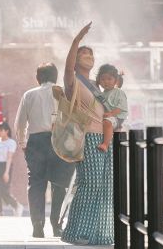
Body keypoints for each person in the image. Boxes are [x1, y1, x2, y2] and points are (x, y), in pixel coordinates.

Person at [61, 22, 114, 245]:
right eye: (83, 53)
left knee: (105, 186)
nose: (88, 56)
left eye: (90, 54)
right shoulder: (72, 81)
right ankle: (75, 231)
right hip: (87, 137)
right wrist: (76, 41)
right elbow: (67, 67)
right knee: (89, 184)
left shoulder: (96, 84)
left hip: (104, 139)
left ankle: (99, 234)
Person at [14, 62, 75, 238]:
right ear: (56, 77)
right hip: (60, 141)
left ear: (38, 78)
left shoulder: (29, 95)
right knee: (60, 185)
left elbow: (20, 123)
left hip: (36, 141)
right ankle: (56, 225)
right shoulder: (63, 93)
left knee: (36, 184)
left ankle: (37, 224)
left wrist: (23, 143)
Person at [96, 64, 128, 152]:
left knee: (107, 122)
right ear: (99, 81)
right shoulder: (102, 94)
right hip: (110, 117)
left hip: (118, 117)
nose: (106, 81)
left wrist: (111, 114)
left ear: (115, 81)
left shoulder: (118, 92)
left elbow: (120, 107)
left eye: (109, 79)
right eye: (103, 79)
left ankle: (105, 144)